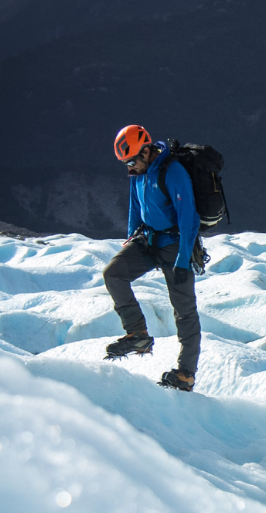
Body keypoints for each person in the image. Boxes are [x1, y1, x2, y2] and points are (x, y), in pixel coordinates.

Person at [103, 125, 201, 392]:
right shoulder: (139, 172)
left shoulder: (173, 172)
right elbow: (135, 206)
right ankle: (138, 335)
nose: (129, 168)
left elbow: (189, 218)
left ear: (146, 152)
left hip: (175, 245)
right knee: (113, 273)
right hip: (148, 241)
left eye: (131, 161)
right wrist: (131, 238)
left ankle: (186, 374)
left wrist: (183, 261)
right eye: (126, 163)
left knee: (184, 311)